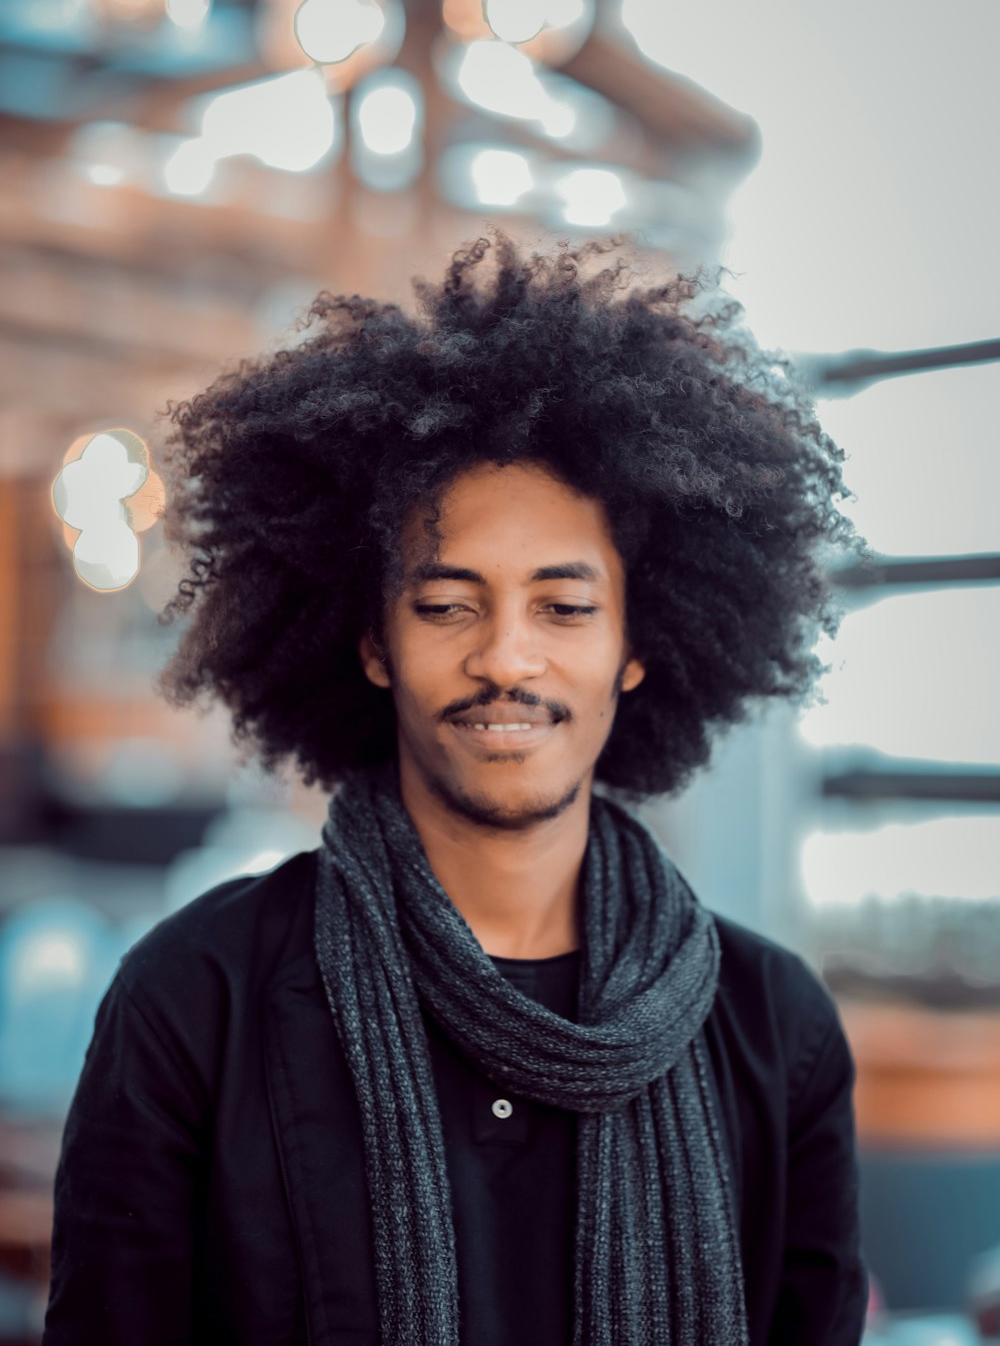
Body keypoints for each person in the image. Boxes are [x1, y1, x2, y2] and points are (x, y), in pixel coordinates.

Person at [43, 231, 869, 1345]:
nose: (506, 660)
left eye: (564, 608)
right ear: (373, 641)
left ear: (638, 644)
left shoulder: (776, 1031)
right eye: (445, 605)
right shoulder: (196, 1000)